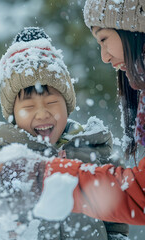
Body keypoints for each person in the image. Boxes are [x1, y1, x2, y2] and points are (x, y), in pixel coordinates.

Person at [0, 27, 129, 239]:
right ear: (13, 115)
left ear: (67, 105)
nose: (42, 113)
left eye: (52, 102)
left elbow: (116, 223)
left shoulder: (94, 153)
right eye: (28, 107)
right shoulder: (2, 156)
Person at [20, 0, 145, 226]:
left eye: (104, 39)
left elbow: (138, 193)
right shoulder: (1, 145)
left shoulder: (93, 147)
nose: (104, 57)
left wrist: (47, 174)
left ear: (134, 26)